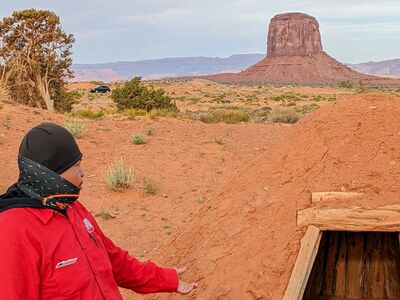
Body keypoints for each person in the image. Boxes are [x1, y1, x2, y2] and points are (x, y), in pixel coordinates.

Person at [0, 123, 197, 299]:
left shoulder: (70, 208)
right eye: (76, 166)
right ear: (50, 175)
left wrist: (165, 279)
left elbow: (113, 260)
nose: (83, 172)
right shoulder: (13, 232)